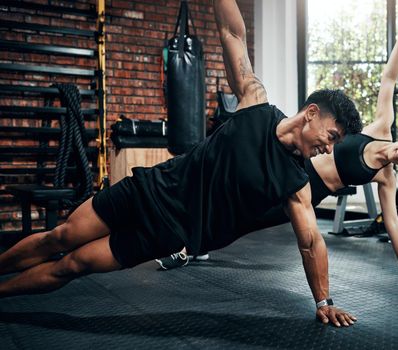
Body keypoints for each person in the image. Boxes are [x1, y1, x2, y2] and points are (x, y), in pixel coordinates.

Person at [0, 0, 362, 328]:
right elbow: (232, 32)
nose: (327, 149)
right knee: (60, 236)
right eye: (330, 137)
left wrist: (324, 300)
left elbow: (311, 241)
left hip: (166, 232)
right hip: (148, 189)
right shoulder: (255, 102)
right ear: (311, 114)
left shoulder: (295, 181)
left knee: (72, 265)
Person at [156, 0, 398, 278]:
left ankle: (190, 248)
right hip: (293, 165)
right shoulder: (382, 127)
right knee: (233, 197)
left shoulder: (385, 177)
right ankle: (182, 242)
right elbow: (389, 78)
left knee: (243, 221)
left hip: (308, 193)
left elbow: (392, 221)